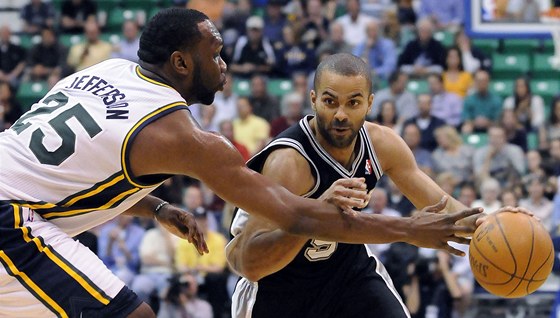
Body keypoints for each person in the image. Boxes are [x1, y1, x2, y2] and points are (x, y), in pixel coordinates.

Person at [0, 9, 481, 317]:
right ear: (182, 64)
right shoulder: (187, 137)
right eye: (216, 53)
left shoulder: (106, 71)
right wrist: (410, 230)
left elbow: (65, 167)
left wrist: (158, 209)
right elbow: (293, 217)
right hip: (13, 220)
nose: (225, 64)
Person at [226, 53, 487, 318]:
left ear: (369, 104)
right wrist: (313, 214)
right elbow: (250, 263)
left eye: (353, 103)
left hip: (347, 273)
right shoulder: (288, 163)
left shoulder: (382, 144)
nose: (341, 114)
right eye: (330, 101)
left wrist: (495, 226)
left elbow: (447, 210)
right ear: (313, 100)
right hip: (280, 288)